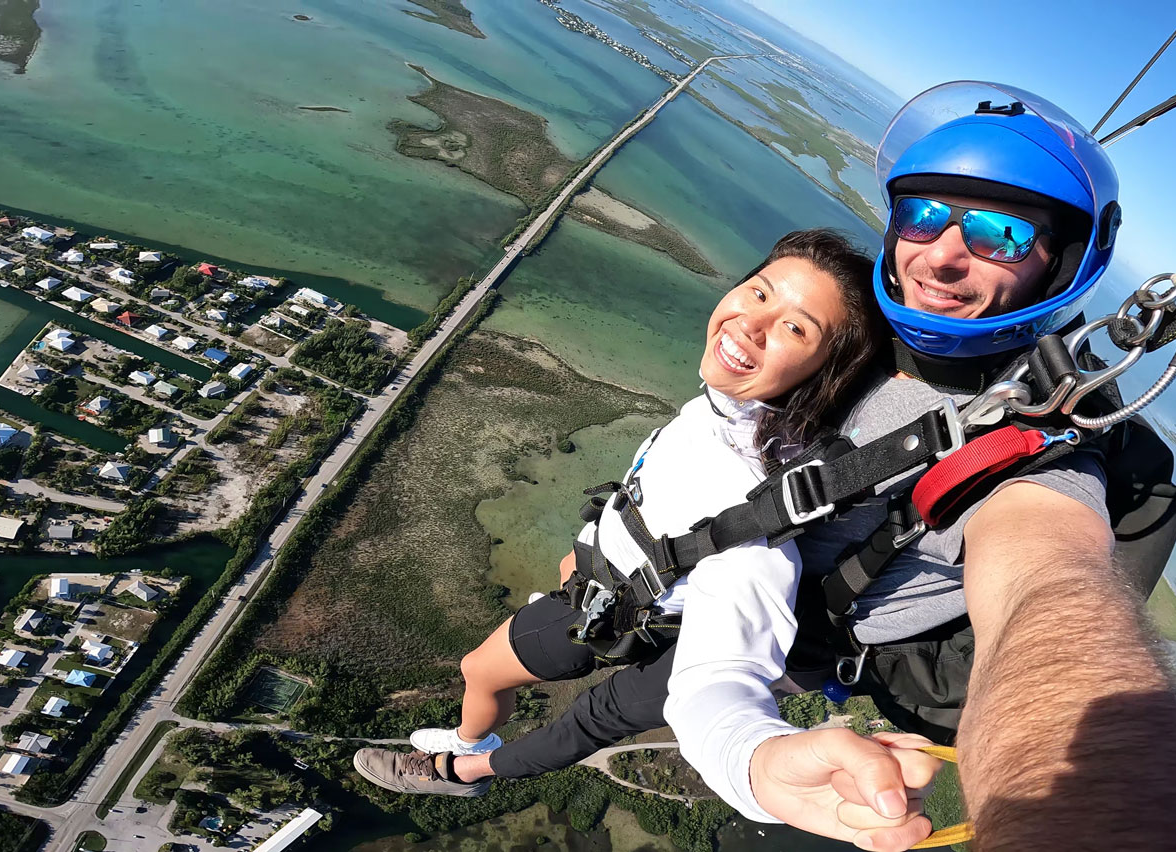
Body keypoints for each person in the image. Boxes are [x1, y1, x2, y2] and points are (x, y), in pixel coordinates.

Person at [358, 83, 1176, 851]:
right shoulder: (861, 344)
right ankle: (482, 743)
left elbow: (1048, 586)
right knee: (552, 661)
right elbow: (719, 433)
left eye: (1000, 232)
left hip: (789, 633)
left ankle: (467, 772)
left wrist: (1077, 809)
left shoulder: (1035, 446)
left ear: (1058, 266)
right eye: (923, 217)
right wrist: (607, 542)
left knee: (604, 717)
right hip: (674, 580)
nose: (942, 254)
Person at [353, 229, 948, 848]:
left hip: (623, 611)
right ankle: (469, 763)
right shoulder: (735, 415)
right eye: (759, 291)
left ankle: (465, 759)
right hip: (631, 599)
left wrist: (750, 762)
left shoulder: (749, 493)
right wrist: (590, 547)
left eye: (797, 329)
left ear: (825, 372)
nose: (752, 324)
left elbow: (727, 666)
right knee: (594, 716)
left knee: (484, 672)